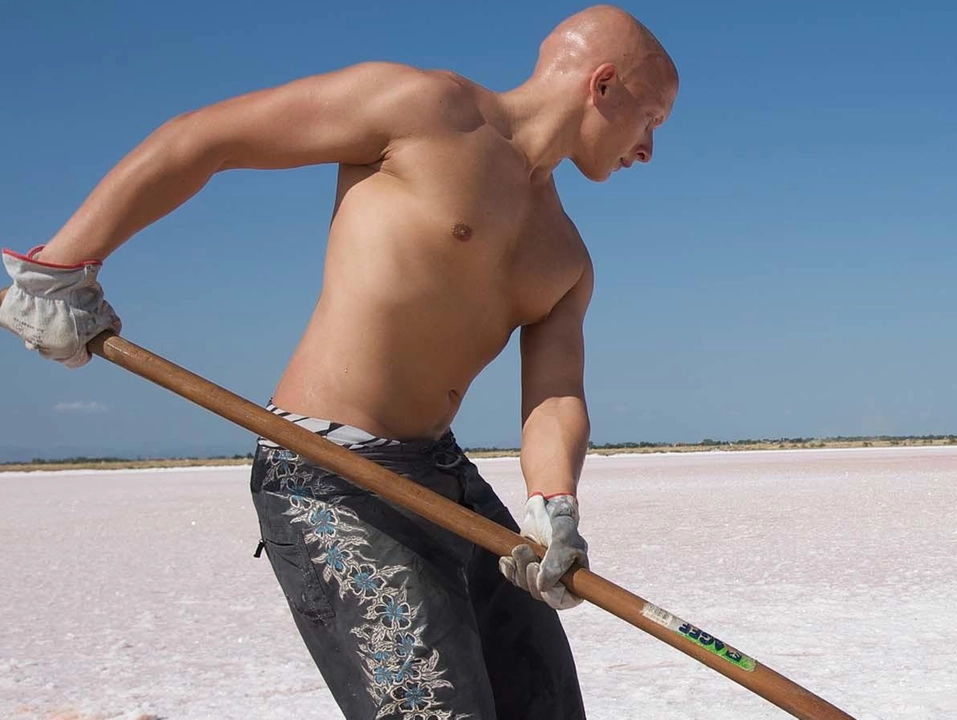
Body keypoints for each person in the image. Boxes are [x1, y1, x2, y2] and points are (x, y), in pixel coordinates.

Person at [0, 4, 678, 718]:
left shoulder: (566, 256)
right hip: (326, 474)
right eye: (652, 119)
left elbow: (555, 393)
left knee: (545, 706)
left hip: (439, 477)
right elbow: (206, 138)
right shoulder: (424, 109)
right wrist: (62, 265)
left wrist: (553, 504)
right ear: (603, 85)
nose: (649, 149)